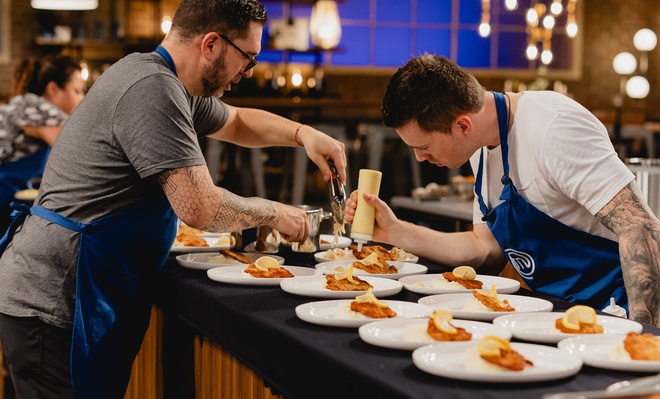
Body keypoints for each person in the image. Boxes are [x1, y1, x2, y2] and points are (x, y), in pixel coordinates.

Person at [0, 0, 346, 398]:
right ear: (211, 44)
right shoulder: (153, 88)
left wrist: (303, 134)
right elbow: (200, 207)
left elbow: (235, 121)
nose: (247, 72)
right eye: (247, 58)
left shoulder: (161, 78)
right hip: (57, 301)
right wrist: (274, 212)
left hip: (74, 291)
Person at [344, 53, 660, 327]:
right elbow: (485, 249)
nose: (419, 157)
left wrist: (644, 337)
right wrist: (395, 231)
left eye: (423, 146)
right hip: (557, 311)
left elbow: (641, 229)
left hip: (616, 309)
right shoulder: (480, 147)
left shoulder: (553, 129)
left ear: (462, 125)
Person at [0, 54, 85, 232]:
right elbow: (75, 153)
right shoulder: (36, 105)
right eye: (76, 91)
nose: (81, 98)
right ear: (53, 88)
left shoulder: (29, 104)